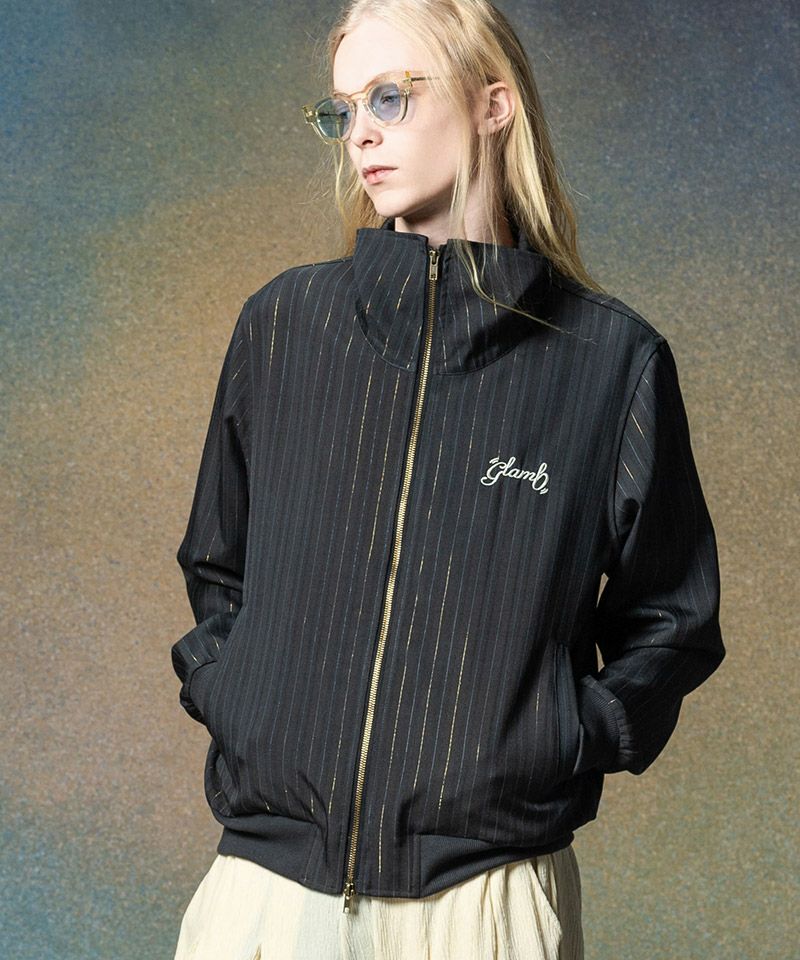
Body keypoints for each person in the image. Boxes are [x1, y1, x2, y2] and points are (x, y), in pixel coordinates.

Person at [171, 1, 726, 958]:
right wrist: (237, 694)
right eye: (345, 109)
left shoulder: (609, 363)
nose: (363, 133)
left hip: (486, 901)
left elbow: (673, 618)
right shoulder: (285, 326)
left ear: (492, 105)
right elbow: (218, 566)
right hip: (265, 892)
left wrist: (561, 734)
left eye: (390, 96)